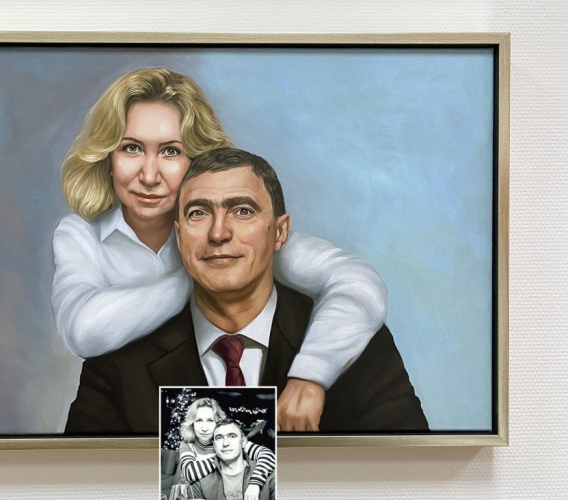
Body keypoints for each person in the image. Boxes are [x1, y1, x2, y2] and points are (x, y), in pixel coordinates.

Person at [53, 67, 387, 431]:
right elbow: (84, 331)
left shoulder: (250, 238)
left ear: (197, 161)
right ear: (107, 157)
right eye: (131, 148)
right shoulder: (81, 235)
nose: (148, 176)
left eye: (170, 151)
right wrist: (202, 273)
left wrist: (312, 374)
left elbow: (358, 283)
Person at [65, 148, 428, 433]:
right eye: (198, 213)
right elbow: (87, 484)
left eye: (242, 211)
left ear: (280, 232)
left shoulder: (357, 346)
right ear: (178, 234)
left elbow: (404, 475)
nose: (218, 233)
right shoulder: (118, 365)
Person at [171, 398, 275, 500]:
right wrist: (225, 458)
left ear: (218, 422)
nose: (204, 428)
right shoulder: (187, 444)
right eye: (199, 420)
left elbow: (268, 455)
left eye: (210, 420)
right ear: (192, 423)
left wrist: (255, 483)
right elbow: (189, 472)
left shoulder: (231, 442)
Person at [189, 418, 275, 500]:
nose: (225, 443)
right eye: (219, 438)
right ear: (214, 445)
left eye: (232, 436)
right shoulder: (200, 482)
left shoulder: (269, 476)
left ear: (243, 442)